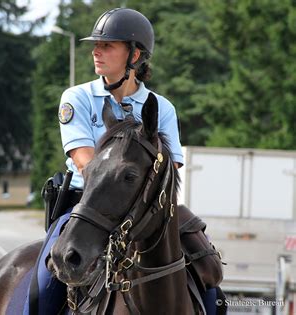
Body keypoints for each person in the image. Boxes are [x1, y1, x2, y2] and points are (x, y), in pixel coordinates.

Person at [25, 8, 219, 315]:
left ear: (134, 55)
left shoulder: (161, 108)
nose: (96, 51)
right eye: (96, 45)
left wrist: (139, 210)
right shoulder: (76, 98)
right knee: (42, 289)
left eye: (107, 45)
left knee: (211, 281)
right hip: (86, 207)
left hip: (149, 208)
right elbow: (85, 163)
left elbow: (171, 168)